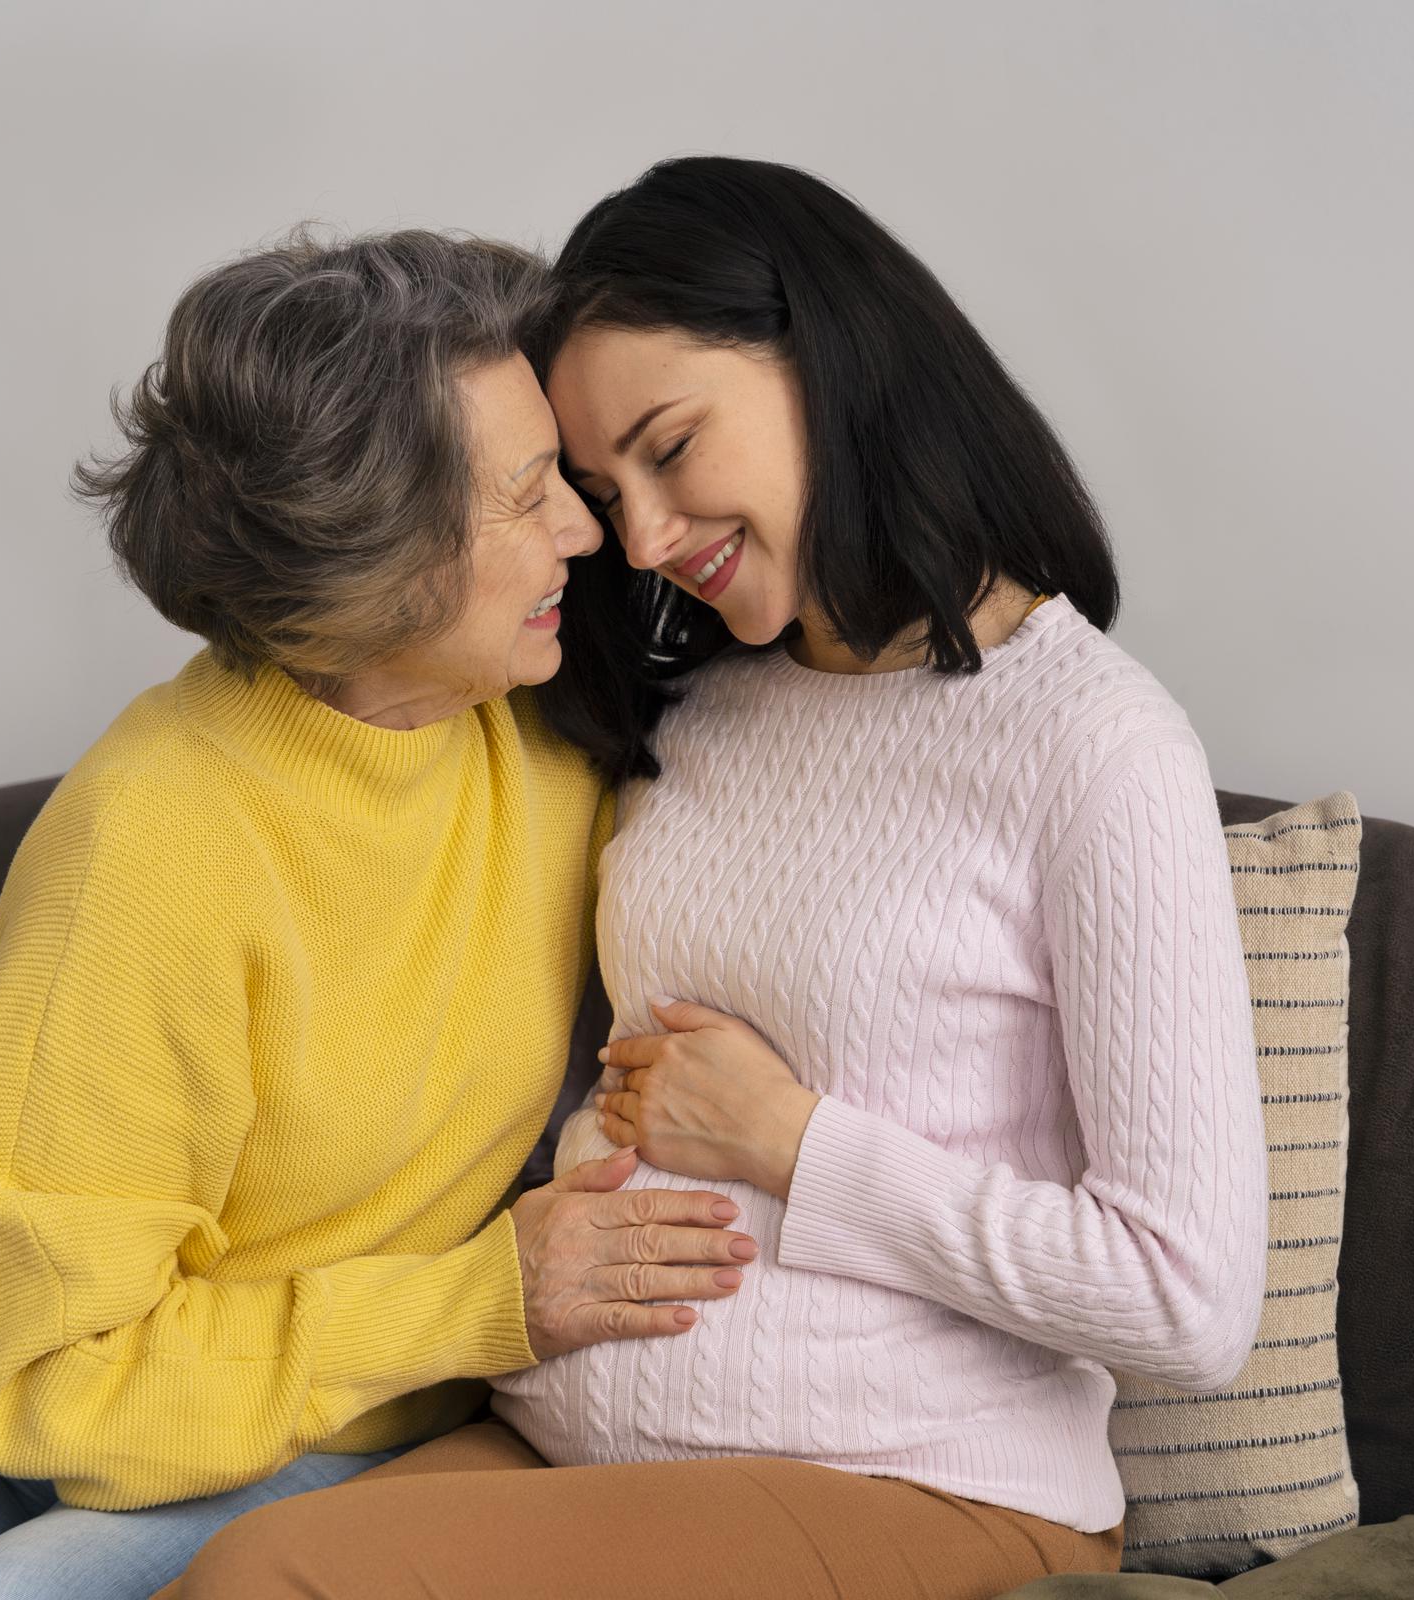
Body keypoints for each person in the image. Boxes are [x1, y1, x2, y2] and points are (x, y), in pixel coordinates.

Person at [162, 158, 1270, 1600]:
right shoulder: (699, 708)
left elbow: (1187, 1302)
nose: (643, 538)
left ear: (834, 360)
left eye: (672, 447)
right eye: (603, 489)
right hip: (569, 1435)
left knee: (268, 1588)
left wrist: (792, 1144)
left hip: (912, 1481)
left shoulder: (1096, 749)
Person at [0, 228, 756, 1600]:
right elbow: (49, 1397)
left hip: (323, 1409)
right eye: (531, 496)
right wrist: (481, 1300)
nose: (588, 530)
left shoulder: (549, 719)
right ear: (376, 569)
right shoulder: (156, 842)